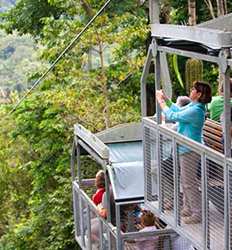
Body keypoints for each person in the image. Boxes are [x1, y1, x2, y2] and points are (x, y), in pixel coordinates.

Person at [156, 81, 212, 224]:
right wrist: (167, 99)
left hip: (190, 150)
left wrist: (161, 102)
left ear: (199, 94)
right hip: (185, 148)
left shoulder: (197, 110)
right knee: (185, 181)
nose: (191, 90)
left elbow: (173, 116)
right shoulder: (193, 106)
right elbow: (177, 110)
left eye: (194, 89)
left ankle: (197, 213)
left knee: (189, 183)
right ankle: (188, 207)